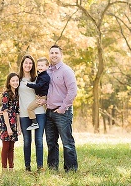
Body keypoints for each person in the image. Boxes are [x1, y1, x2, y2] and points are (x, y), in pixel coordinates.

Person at [45, 44, 78, 172]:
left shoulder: (66, 70)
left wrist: (63, 108)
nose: (54, 55)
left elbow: (72, 91)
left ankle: (71, 169)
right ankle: (52, 168)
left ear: (61, 55)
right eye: (52, 53)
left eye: (56, 53)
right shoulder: (47, 71)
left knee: (67, 142)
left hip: (63, 112)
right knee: (51, 143)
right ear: (49, 55)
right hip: (49, 112)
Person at [17, 55, 46, 171]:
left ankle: (40, 167)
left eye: (30, 63)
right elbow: (11, 95)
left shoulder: (38, 78)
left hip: (39, 112)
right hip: (24, 114)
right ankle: (27, 167)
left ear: (33, 66)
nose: (28, 65)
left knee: (38, 140)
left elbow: (46, 90)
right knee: (27, 141)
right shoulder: (17, 79)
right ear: (22, 64)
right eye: (26, 63)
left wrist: (46, 99)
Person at [0, 72, 21, 172]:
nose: (15, 82)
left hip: (14, 122)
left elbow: (17, 112)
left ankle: (11, 168)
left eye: (17, 80)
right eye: (13, 81)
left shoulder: (18, 94)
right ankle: (4, 169)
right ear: (9, 82)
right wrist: (8, 128)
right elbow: (5, 112)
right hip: (6, 123)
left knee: (12, 147)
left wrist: (18, 127)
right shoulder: (6, 94)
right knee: (6, 146)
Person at [26, 58, 51, 130]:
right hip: (38, 96)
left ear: (47, 67)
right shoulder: (40, 75)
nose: (40, 67)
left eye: (42, 65)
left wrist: (28, 84)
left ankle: (34, 123)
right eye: (38, 65)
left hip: (41, 98)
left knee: (29, 109)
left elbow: (38, 86)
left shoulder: (45, 77)